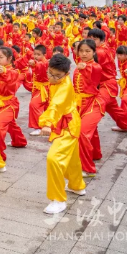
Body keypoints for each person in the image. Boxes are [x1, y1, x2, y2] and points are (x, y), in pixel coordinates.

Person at [40, 53, 86, 214]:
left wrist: (46, 123)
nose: (52, 78)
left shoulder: (65, 86)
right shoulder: (57, 80)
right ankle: (77, 186)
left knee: (54, 158)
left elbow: (56, 105)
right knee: (72, 157)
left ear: (66, 74)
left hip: (67, 125)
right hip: (66, 121)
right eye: (50, 73)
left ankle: (58, 199)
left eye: (57, 76)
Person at [0, 46, 28, 161]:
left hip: (8, 104)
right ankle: (19, 141)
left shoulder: (13, 72)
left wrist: (4, 71)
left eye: (1, 57)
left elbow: (10, 78)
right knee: (11, 124)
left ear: (10, 58)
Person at [74, 39, 103, 177]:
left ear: (93, 52)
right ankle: (96, 154)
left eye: (87, 51)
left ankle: (88, 168)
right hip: (80, 103)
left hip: (93, 103)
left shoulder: (96, 66)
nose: (84, 54)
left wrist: (83, 68)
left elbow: (92, 79)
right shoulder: (79, 66)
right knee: (92, 130)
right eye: (81, 51)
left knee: (83, 132)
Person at [27, 45, 50, 136]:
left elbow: (42, 66)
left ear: (45, 54)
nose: (36, 56)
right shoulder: (38, 62)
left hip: (44, 88)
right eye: (35, 54)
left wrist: (35, 64)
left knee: (34, 105)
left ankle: (38, 127)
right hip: (37, 88)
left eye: (38, 54)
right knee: (44, 106)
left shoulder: (45, 63)